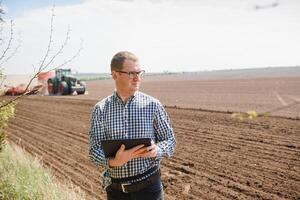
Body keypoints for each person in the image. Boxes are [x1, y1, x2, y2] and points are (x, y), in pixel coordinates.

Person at [89, 51, 176, 200]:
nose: (137, 78)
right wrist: (113, 161)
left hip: (149, 190)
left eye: (139, 73)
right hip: (116, 192)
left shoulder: (153, 105)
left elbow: (170, 141)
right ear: (115, 75)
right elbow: (94, 151)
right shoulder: (100, 109)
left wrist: (157, 150)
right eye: (131, 74)